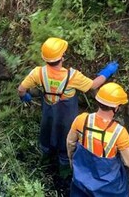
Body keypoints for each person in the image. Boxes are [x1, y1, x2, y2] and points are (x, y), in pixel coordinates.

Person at [17, 37, 118, 179]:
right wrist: (107, 71)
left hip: (48, 112)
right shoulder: (72, 76)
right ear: (62, 57)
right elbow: (94, 85)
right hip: (66, 116)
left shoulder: (38, 73)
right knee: (66, 137)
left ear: (45, 58)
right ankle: (63, 167)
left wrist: (24, 97)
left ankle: (45, 157)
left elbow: (21, 89)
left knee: (46, 131)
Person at [66, 82, 129, 197]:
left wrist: (73, 161)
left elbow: (70, 143)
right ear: (116, 107)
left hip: (81, 181)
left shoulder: (81, 120)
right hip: (108, 188)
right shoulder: (119, 133)